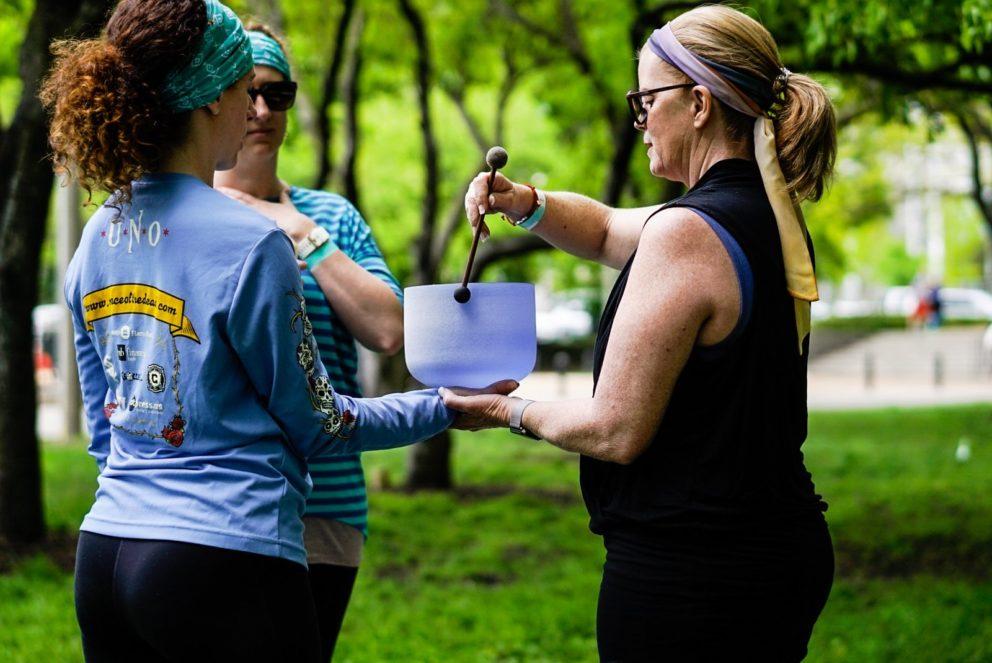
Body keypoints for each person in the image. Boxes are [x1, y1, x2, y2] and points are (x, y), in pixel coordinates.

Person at [42, 1, 511, 660]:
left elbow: (104, 425)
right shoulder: (253, 242)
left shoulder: (98, 232)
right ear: (210, 99)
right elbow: (318, 422)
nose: (255, 110)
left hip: (106, 556)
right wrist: (444, 407)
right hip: (226, 556)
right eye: (244, 90)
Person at [445, 5, 836, 660]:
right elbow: (602, 230)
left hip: (695, 575)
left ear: (700, 104)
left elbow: (614, 430)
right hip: (773, 548)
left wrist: (502, 409)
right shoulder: (767, 215)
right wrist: (527, 203)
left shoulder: (687, 234)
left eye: (646, 100)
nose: (641, 121)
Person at [213, 25, 402, 660]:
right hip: (218, 503)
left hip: (328, 500)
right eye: (248, 92)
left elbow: (388, 329)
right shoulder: (180, 215)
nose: (262, 111)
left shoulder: (334, 216)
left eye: (279, 94)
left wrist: (300, 231)